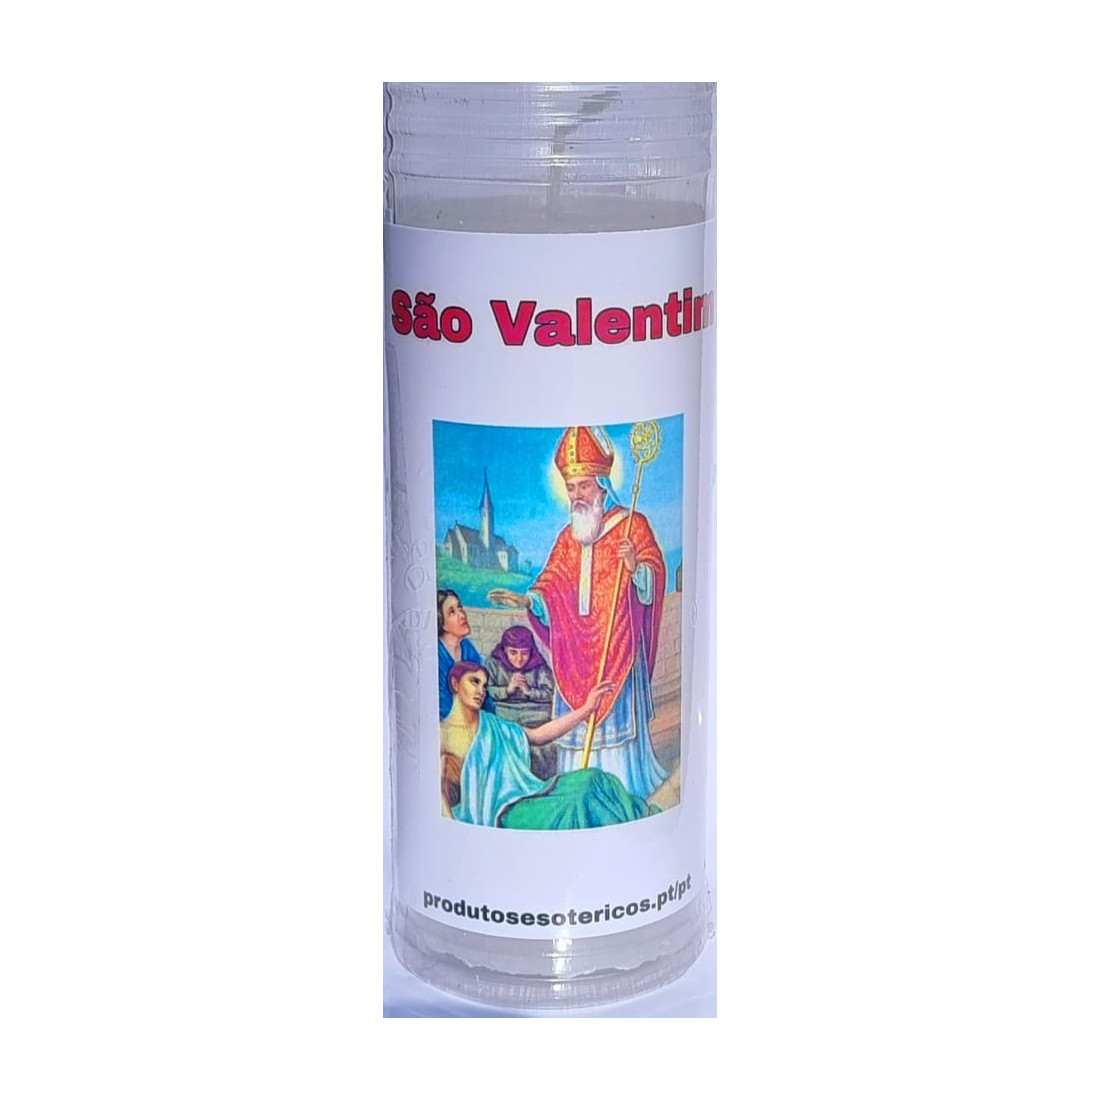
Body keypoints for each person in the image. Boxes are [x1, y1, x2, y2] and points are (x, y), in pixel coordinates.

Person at [488, 425, 668, 800]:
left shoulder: (632, 525)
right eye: (571, 488)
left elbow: (654, 575)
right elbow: (551, 582)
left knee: (615, 722)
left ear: (602, 484)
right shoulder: (567, 538)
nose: (576, 495)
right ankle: (576, 785)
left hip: (616, 644)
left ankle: (622, 785)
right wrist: (528, 601)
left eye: (583, 485)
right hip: (575, 653)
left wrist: (636, 567)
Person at [440, 661, 655, 829]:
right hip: (503, 813)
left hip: (530, 793)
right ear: (455, 684)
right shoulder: (443, 734)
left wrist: (587, 709)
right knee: (577, 799)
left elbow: (538, 735)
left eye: (484, 685)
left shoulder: (493, 725)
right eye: (474, 682)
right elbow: (439, 791)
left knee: (592, 778)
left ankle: (634, 828)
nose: (481, 690)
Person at [485, 624, 558, 779]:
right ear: (504, 650)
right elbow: (486, 690)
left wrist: (528, 691)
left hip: (535, 717)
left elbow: (549, 693)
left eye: (524, 653)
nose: (519, 659)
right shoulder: (493, 664)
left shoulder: (539, 666)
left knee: (543, 750)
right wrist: (507, 690)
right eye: (513, 652)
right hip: (505, 716)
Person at [436, 589, 494, 721]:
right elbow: (443, 706)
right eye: (452, 612)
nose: (462, 615)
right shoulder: (437, 655)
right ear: (441, 622)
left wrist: (490, 719)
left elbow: (485, 692)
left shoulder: (467, 648)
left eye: (460, 608)